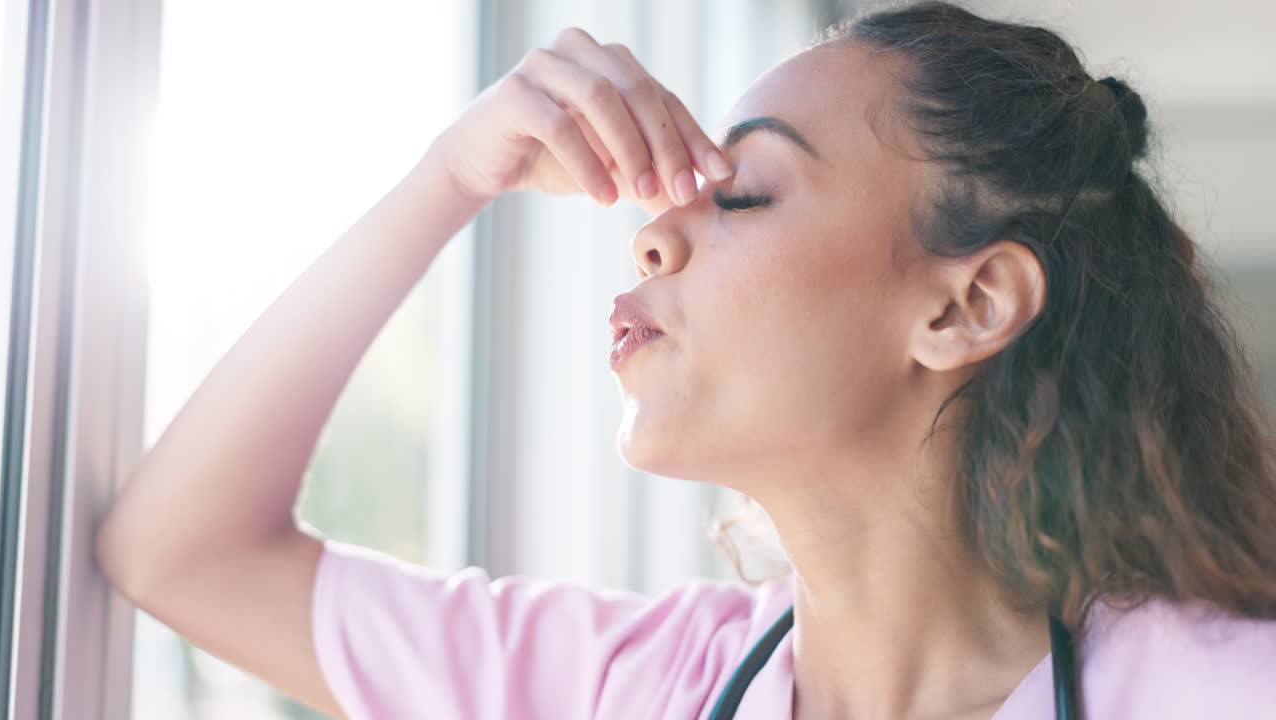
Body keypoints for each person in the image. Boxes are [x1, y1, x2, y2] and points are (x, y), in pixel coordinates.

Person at [95, 2, 1276, 719]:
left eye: (746, 194)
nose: (654, 229)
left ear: (967, 305)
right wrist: (450, 176)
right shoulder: (629, 688)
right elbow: (178, 551)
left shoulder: (1224, 695)